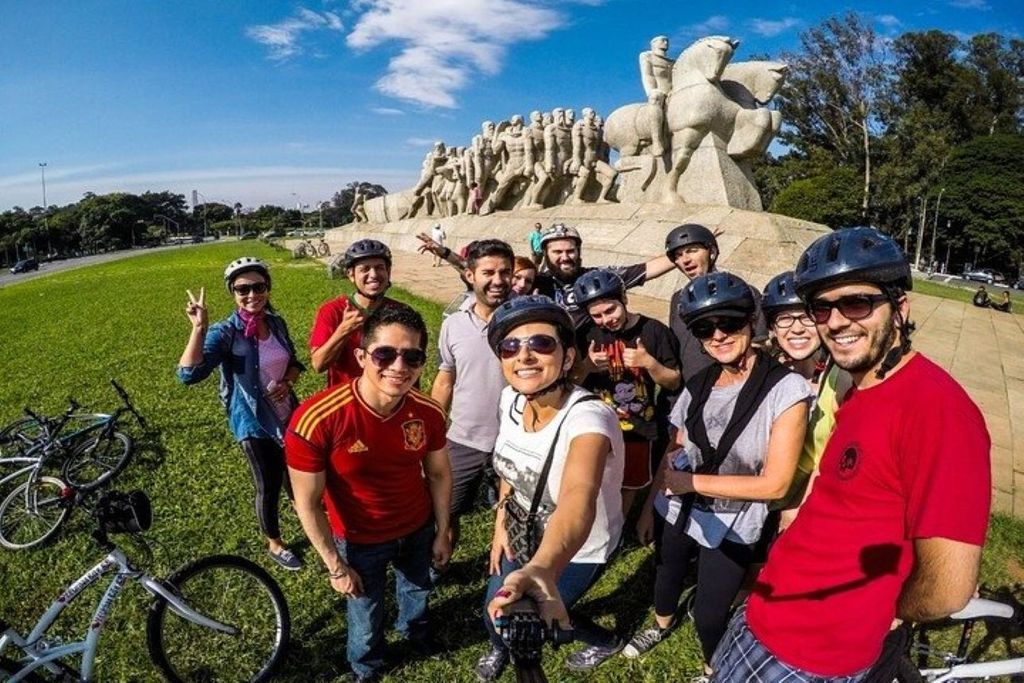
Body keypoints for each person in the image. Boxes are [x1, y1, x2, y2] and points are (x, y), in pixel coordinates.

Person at [713, 227, 992, 681]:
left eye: (856, 302)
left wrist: (888, 609)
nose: (836, 321)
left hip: (814, 653)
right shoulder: (858, 385)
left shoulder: (939, 412)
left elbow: (947, 590)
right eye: (821, 307)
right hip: (766, 609)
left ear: (900, 307)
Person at [627, 272, 811, 680]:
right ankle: (660, 623)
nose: (718, 335)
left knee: (710, 614)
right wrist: (648, 510)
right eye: (705, 329)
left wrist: (690, 484)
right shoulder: (700, 381)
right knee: (667, 569)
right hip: (677, 505)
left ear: (750, 323)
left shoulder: (787, 389)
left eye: (729, 323)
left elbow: (776, 484)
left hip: (732, 518)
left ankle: (716, 667)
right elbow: (676, 448)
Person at [286, 305, 452, 683]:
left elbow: (439, 473)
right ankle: (367, 665)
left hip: (417, 527)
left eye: (412, 356)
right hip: (359, 539)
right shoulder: (317, 419)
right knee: (365, 613)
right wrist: (334, 565)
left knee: (417, 588)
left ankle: (415, 632)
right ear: (361, 357)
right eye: (385, 354)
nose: (399, 366)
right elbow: (307, 503)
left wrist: (442, 529)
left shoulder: (427, 411)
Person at [478, 296, 626, 680]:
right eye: (511, 347)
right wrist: (500, 522)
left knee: (546, 609)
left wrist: (543, 567)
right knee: (497, 610)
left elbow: (578, 497)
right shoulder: (510, 398)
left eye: (541, 344)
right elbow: (509, 466)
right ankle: (502, 646)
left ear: (567, 356)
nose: (524, 355)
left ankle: (603, 640)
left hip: (576, 548)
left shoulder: (589, 418)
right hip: (520, 528)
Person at [177, 257, 305, 571]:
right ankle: (275, 543)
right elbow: (188, 374)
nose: (251, 295)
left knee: (298, 475)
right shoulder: (225, 332)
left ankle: (306, 516)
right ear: (233, 293)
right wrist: (199, 328)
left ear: (268, 288)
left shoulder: (276, 323)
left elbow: (295, 363)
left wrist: (288, 382)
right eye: (242, 289)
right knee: (268, 482)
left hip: (288, 413)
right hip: (253, 421)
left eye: (258, 286)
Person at [573, 269, 681, 520]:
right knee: (592, 480)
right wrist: (587, 366)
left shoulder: (654, 331)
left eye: (611, 310)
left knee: (630, 483)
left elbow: (674, 382)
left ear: (624, 298)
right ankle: (592, 524)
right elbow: (572, 381)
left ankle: (616, 525)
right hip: (595, 426)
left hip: (638, 428)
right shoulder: (585, 335)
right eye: (597, 315)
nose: (605, 320)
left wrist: (650, 364)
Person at [431, 240, 514, 559]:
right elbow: (445, 379)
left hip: (516, 439)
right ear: (469, 275)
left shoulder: (526, 319)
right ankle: (441, 560)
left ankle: (509, 569)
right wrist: (434, 428)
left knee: (514, 512)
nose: (498, 280)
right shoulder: (452, 324)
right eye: (488, 272)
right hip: (463, 439)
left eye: (505, 272)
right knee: (445, 510)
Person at [760, 271, 848, 531]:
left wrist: (800, 505)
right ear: (772, 330)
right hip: (758, 498)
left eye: (806, 317)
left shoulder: (838, 375)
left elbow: (831, 453)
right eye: (784, 319)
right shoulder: (763, 370)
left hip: (803, 504)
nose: (797, 328)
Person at [532, 223, 676, 327]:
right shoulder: (532, 282)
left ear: (578, 252)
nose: (565, 257)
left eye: (570, 251)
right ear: (546, 254)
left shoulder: (597, 278)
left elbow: (647, 269)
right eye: (557, 252)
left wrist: (683, 252)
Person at [310, 239, 404, 388]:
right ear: (351, 274)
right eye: (364, 269)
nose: (373, 274)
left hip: (389, 400)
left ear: (388, 272)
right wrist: (343, 330)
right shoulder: (332, 311)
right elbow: (318, 365)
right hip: (347, 400)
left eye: (380, 267)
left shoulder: (401, 312)